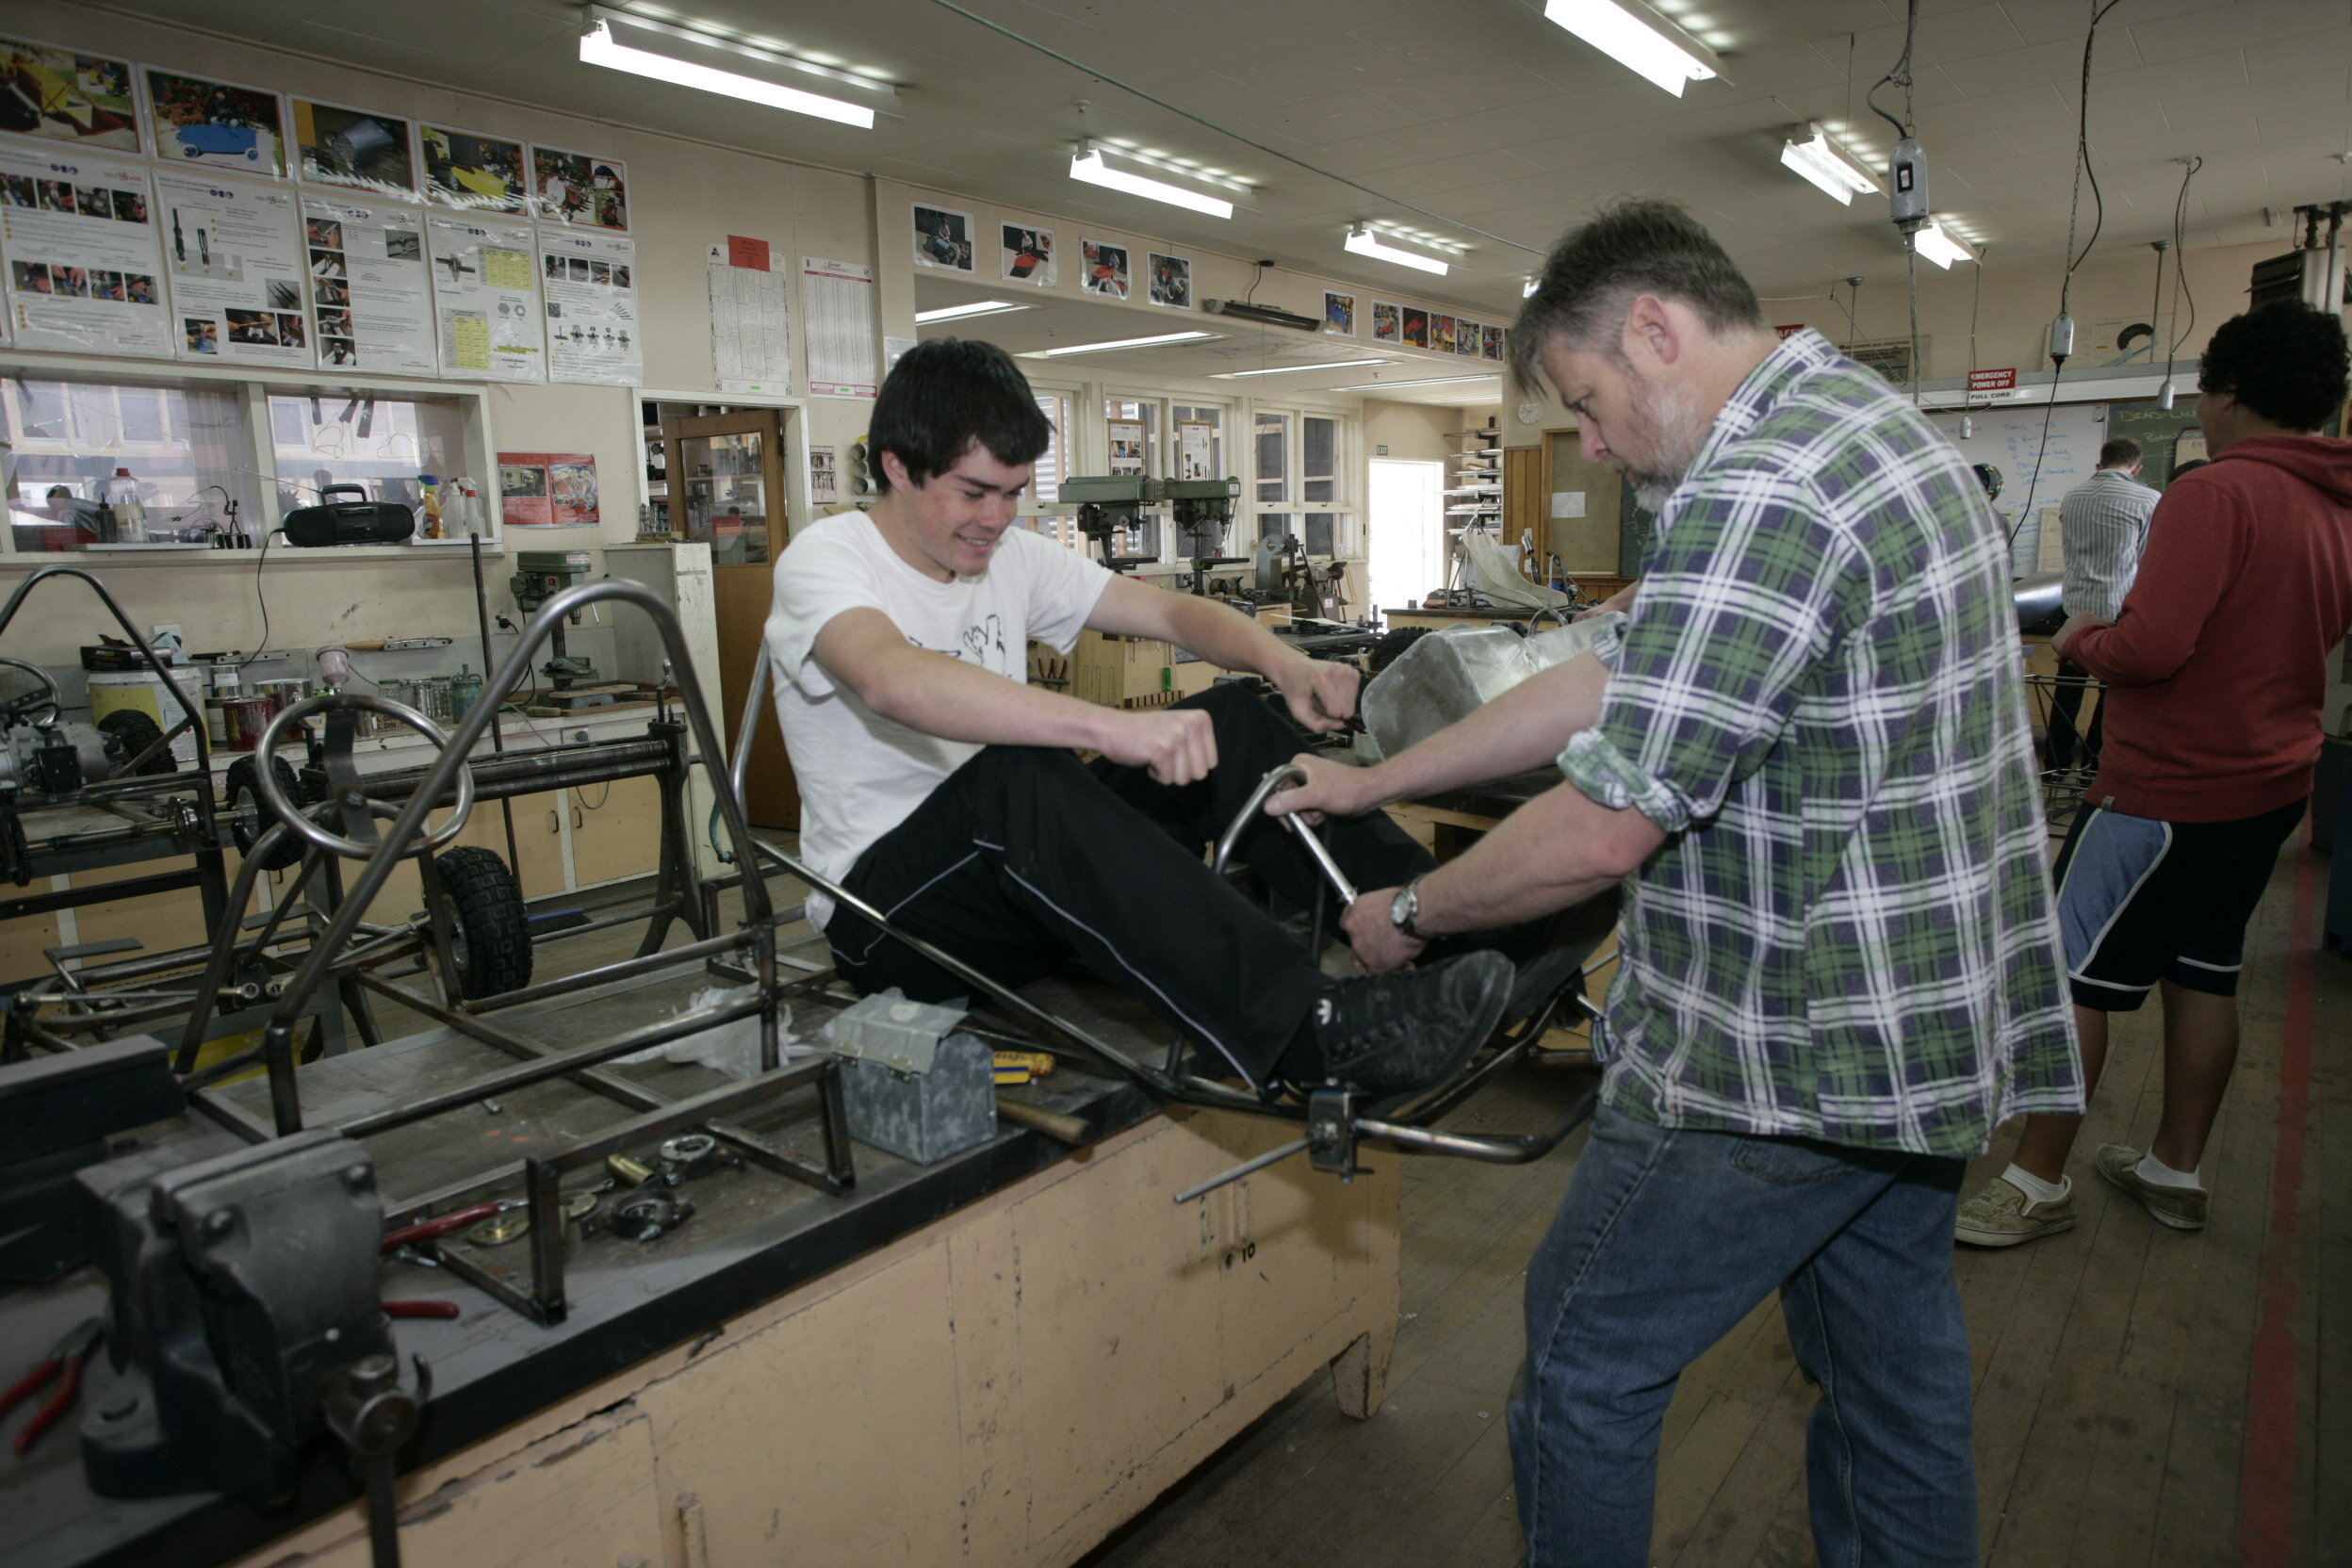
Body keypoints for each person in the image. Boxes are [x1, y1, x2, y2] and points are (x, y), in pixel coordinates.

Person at [1270, 200, 2079, 1568]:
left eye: (1586, 402)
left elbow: (1598, 832)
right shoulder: (1874, 434)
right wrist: (1376, 785)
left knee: (1587, 1367)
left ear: (1654, 329)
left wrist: (1407, 912)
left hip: (1782, 1057)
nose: (1587, 442)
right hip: (1920, 1038)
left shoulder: (1765, 489)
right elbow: (1604, 675)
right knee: (1892, 1391)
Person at [762, 337, 1520, 1102]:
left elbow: (1172, 612)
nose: (995, 517)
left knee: (1227, 717)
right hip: (888, 923)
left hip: (1013, 883)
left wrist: (1285, 666)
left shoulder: (1011, 556)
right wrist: (1108, 727)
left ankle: (1450, 918)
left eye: (1014, 492)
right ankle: (1307, 1028)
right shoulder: (828, 558)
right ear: (897, 465)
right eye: (973, 492)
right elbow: (891, 679)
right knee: (1021, 767)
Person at [1956, 301, 2352, 1247]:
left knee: (2072, 979)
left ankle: (2034, 1177)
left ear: (2228, 396)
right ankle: (2176, 1166)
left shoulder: (2217, 495)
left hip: (2168, 790)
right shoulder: (2335, 504)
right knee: (2203, 971)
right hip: (2268, 785)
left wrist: (2084, 634)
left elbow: (2154, 644)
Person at [2046, 436, 2161, 769]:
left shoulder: (2073, 496)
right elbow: (2147, 560)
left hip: (2073, 608)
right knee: (2110, 693)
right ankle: (2094, 765)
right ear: (2136, 468)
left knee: (2067, 690)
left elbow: (2069, 550)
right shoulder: (2148, 498)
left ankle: (2056, 764)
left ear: (2100, 464)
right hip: (2117, 612)